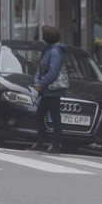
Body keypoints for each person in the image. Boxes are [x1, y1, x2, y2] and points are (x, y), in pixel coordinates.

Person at [29, 25, 69, 154]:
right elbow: (41, 69)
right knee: (41, 115)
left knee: (53, 117)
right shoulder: (49, 50)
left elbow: (53, 72)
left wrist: (41, 84)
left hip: (53, 89)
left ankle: (55, 145)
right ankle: (43, 143)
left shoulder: (54, 52)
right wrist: (37, 82)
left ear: (47, 37)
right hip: (47, 90)